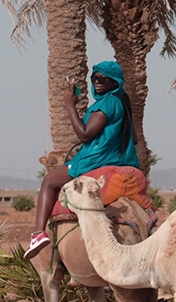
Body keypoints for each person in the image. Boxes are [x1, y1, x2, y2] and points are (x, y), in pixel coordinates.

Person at [26, 61, 140, 260]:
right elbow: (135, 138)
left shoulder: (106, 103)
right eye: (94, 78)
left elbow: (85, 135)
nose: (97, 82)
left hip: (95, 160)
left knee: (49, 181)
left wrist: (70, 106)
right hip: (121, 161)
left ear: (115, 82)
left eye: (103, 79)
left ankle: (38, 234)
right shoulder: (123, 101)